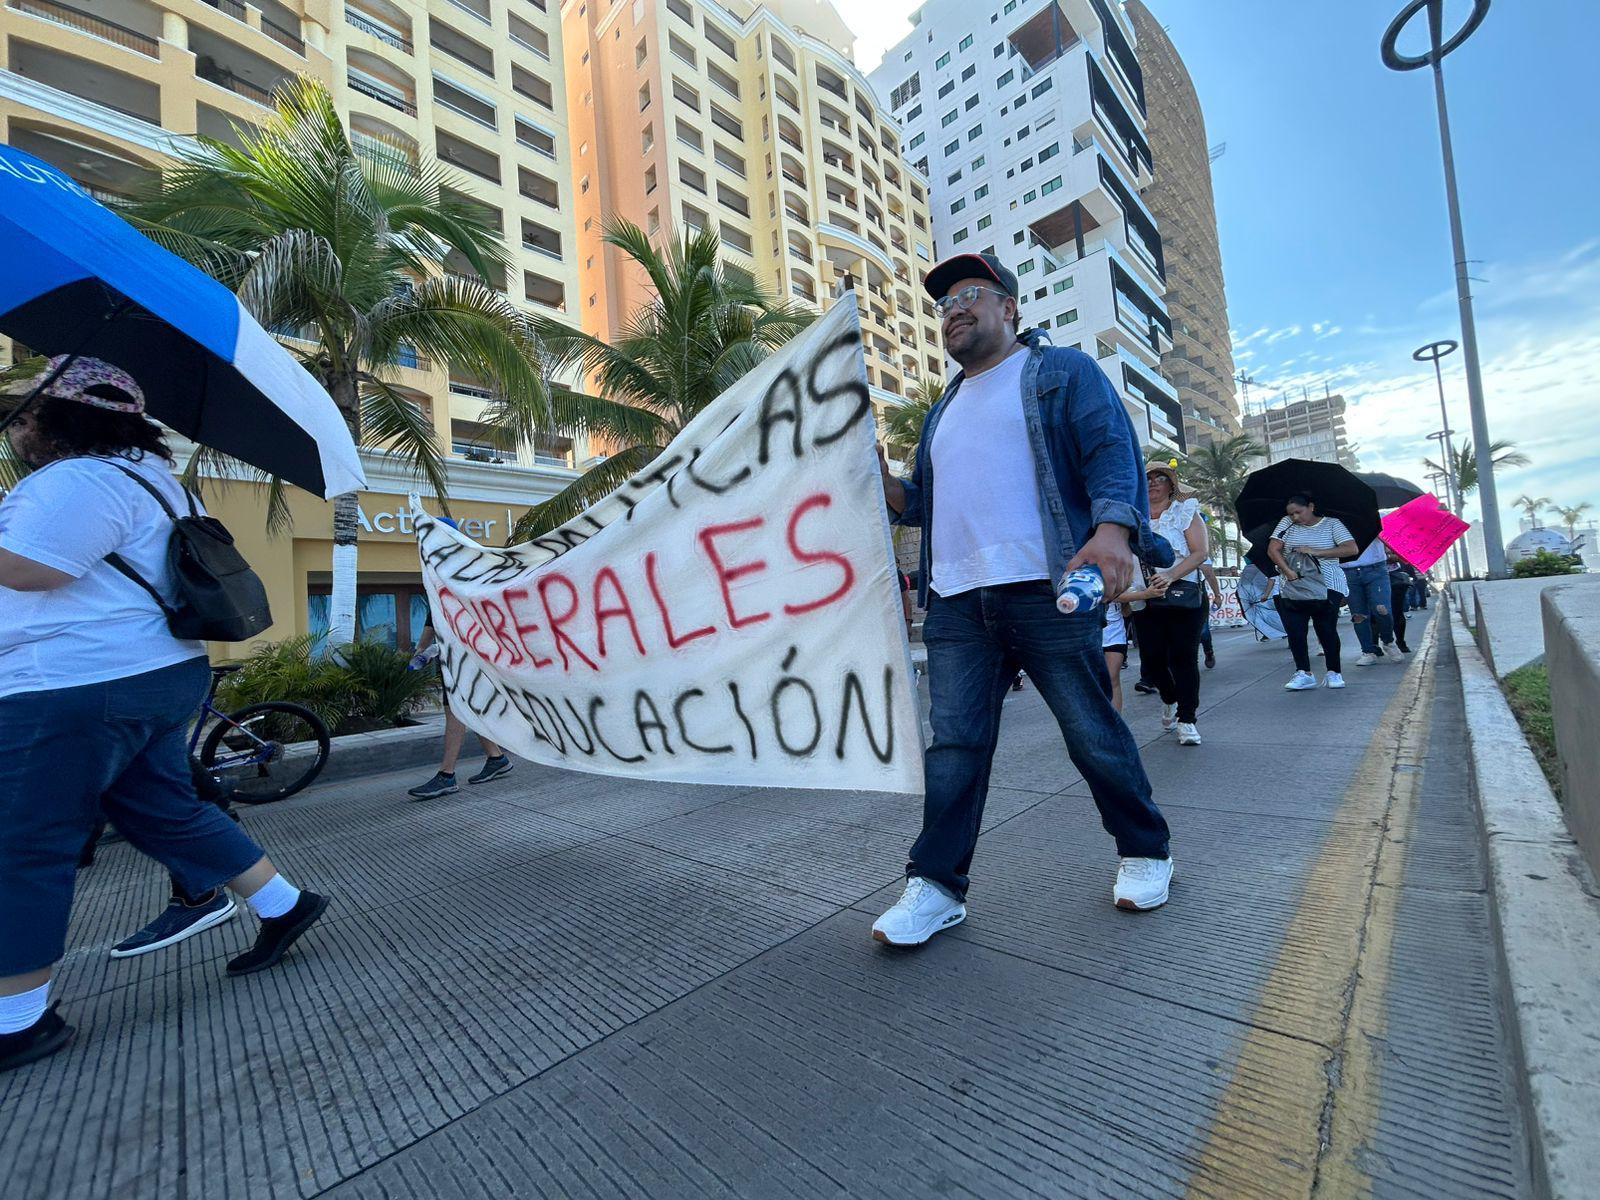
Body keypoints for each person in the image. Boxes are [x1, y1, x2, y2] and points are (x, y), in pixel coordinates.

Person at [0, 358, 328, 1073]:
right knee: (163, 808)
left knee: (23, 845)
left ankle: (18, 1021)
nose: (17, 430)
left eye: (23, 416)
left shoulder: (75, 482)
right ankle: (283, 904)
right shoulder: (157, 481)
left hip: (74, 687)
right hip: (155, 675)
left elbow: (30, 570)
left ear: (58, 420)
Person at [871, 252, 1174, 946]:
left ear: (1009, 307)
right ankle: (937, 885)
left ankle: (1145, 850)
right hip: (956, 602)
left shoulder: (1061, 373)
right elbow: (920, 501)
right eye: (944, 301)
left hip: (1047, 589)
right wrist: (881, 479)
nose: (954, 307)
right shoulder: (941, 411)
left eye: (971, 293)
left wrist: (1112, 531)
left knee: (1091, 732)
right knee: (954, 749)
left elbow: (1109, 449)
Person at [1131, 463, 1211, 746]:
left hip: (1183, 595)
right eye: (1147, 478)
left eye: (1160, 478)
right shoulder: (1132, 515)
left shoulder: (1185, 511)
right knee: (1152, 660)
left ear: (1171, 486)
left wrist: (1169, 575)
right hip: (1143, 597)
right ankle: (1169, 698)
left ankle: (1187, 719)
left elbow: (1200, 552)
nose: (1153, 483)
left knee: (1183, 658)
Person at [407, 595, 514, 800]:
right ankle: (496, 758)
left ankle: (447, 775)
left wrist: (421, 647)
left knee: (455, 711)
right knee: (470, 709)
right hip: (468, 655)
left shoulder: (443, 578)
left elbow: (434, 617)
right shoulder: (462, 577)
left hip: (458, 658)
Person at [1269, 492, 1358, 691]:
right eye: (1291, 514)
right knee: (1295, 629)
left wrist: (1317, 552)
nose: (1295, 517)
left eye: (1299, 512)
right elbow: (1273, 549)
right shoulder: (1286, 524)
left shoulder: (1332, 524)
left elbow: (1351, 549)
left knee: (1325, 628)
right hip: (1294, 583)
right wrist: (1288, 571)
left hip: (1328, 584)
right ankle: (1303, 672)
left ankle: (1334, 672)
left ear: (1311, 506)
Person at [1340, 530, 1395, 666]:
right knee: (1358, 614)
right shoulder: (1335, 521)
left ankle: (1388, 641)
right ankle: (1368, 651)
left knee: (1383, 609)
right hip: (1348, 572)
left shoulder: (1375, 518)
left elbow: (1393, 539)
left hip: (1376, 568)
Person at [1385, 549, 1417, 656]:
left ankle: (1400, 641)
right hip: (1369, 576)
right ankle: (1373, 645)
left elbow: (1404, 555)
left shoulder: (1390, 537)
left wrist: (1389, 556)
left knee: (1397, 612)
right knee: (1375, 613)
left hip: (1395, 578)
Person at [1199, 558, 1223, 668]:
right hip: (1168, 592)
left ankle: (1208, 651)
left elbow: (1209, 574)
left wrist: (1217, 595)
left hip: (1195, 593)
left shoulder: (1199, 550)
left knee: (1203, 630)